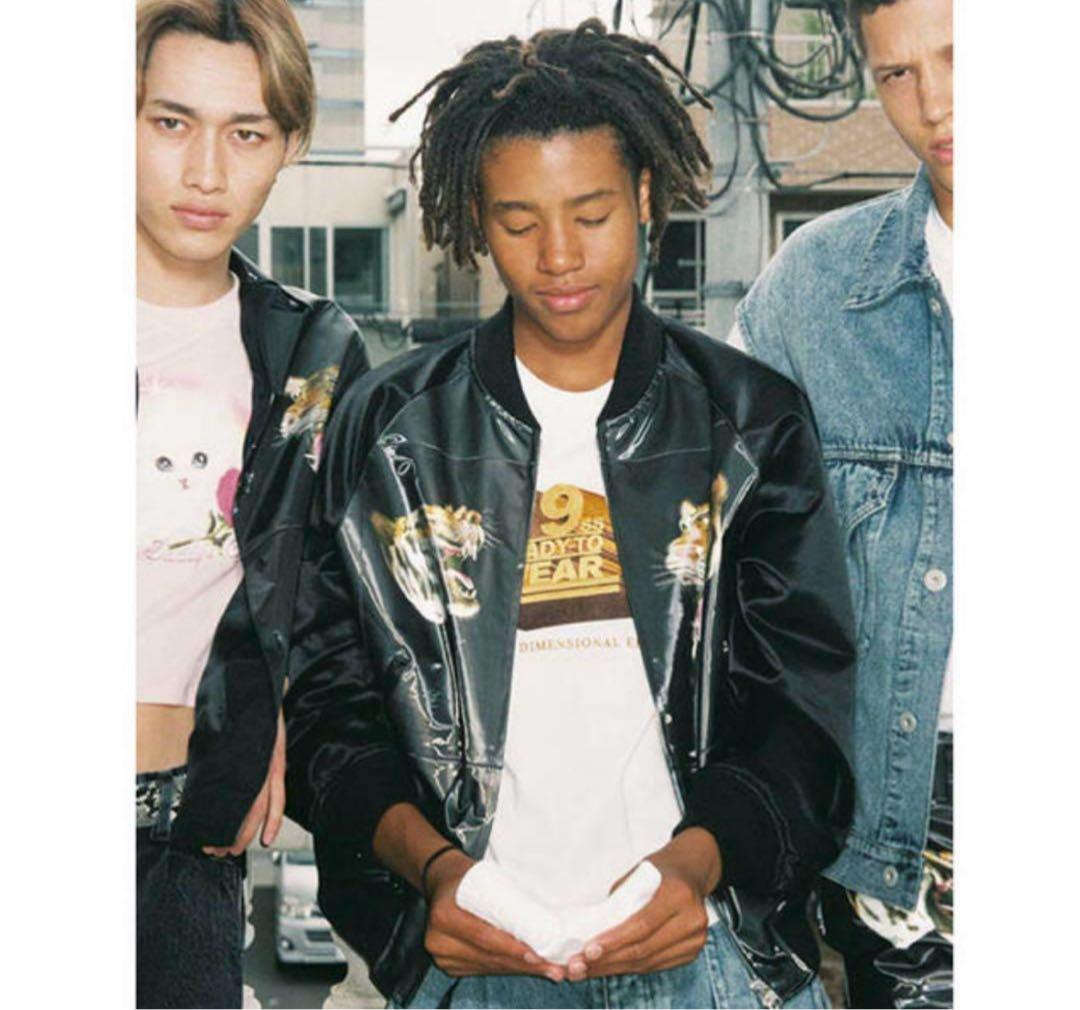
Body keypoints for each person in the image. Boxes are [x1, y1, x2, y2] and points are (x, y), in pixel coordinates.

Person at [284, 19, 856, 1010]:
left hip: (711, 953)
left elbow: (804, 705)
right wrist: (435, 872)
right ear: (476, 219)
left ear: (646, 196)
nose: (557, 256)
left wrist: (700, 861)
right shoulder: (390, 431)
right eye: (518, 222)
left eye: (591, 213)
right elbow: (330, 710)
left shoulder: (748, 423)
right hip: (476, 960)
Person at [135, 1, 368, 1005]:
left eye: (247, 133)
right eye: (171, 122)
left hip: (189, 842)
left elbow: (337, 597)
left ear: (290, 145)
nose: (205, 172)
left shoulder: (314, 353)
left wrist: (279, 702)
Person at [729, 0, 954, 1005]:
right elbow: (726, 560)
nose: (933, 104)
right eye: (897, 73)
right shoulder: (815, 290)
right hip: (903, 827)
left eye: (959, 58)